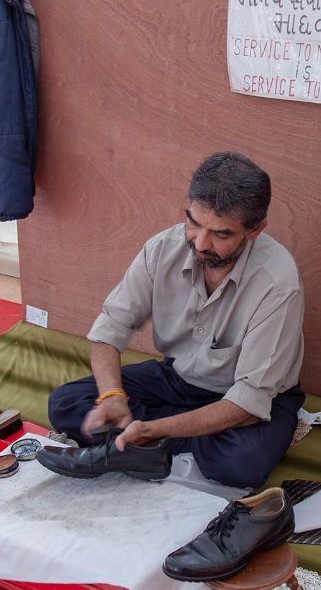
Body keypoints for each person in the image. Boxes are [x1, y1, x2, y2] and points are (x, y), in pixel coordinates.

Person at [44, 152, 305, 488]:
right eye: (194, 223)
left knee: (241, 463)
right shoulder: (163, 248)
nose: (201, 243)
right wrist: (111, 396)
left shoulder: (277, 283)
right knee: (65, 403)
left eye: (221, 234)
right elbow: (111, 327)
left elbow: (249, 402)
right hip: (177, 378)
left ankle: (143, 441)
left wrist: (155, 429)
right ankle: (157, 440)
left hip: (247, 400)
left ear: (254, 231)